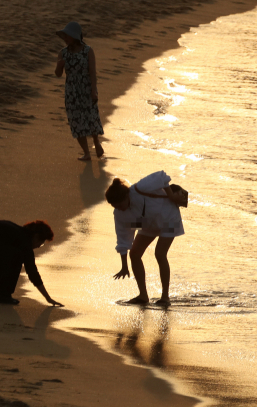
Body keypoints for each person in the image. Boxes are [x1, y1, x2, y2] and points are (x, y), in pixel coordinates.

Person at [105, 171, 185, 306]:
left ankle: (165, 297)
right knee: (135, 253)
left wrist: (170, 196)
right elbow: (123, 237)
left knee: (160, 254)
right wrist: (124, 266)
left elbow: (162, 177)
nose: (119, 209)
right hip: (148, 223)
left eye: (119, 205)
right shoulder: (119, 213)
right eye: (115, 206)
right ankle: (143, 295)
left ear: (126, 196)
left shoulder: (140, 188)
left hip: (169, 217)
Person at [0, 220, 63, 307]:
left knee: (2, 256)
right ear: (36, 236)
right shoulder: (24, 240)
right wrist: (48, 298)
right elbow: (32, 272)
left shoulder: (17, 233)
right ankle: (3, 295)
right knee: (15, 256)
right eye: (41, 243)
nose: (38, 246)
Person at [55, 21, 105, 161]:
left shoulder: (88, 51)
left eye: (67, 36)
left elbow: (92, 72)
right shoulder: (63, 53)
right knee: (76, 121)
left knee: (91, 117)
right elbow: (58, 74)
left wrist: (94, 90)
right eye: (64, 36)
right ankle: (86, 153)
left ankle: (96, 142)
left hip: (86, 89)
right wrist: (59, 66)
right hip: (71, 92)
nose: (65, 39)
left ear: (75, 36)